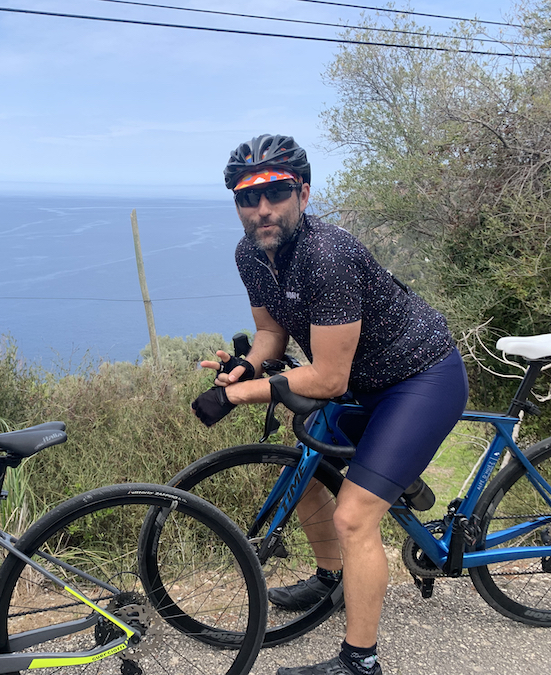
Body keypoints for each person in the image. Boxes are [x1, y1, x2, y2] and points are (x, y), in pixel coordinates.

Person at [191, 134, 469, 675]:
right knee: (305, 474)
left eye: (276, 193)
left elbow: (326, 376)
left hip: (419, 377)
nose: (262, 209)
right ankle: (331, 578)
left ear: (303, 193)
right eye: (248, 198)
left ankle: (360, 662)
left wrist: (236, 395)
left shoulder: (328, 256)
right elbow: (270, 333)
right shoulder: (250, 253)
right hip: (358, 384)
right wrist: (247, 366)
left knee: (354, 518)